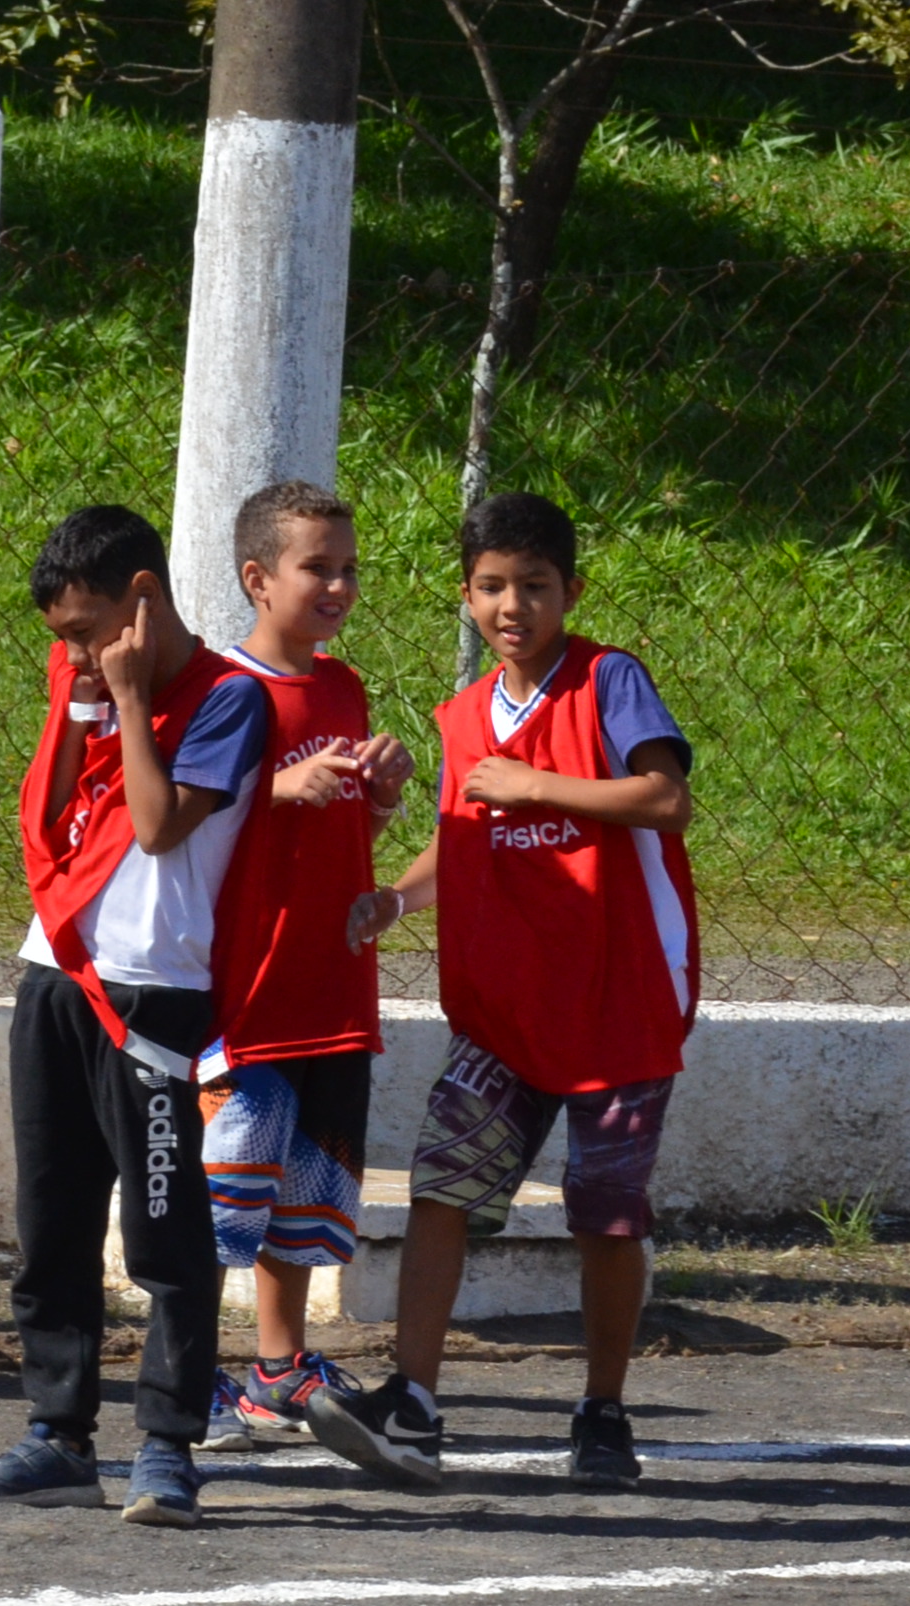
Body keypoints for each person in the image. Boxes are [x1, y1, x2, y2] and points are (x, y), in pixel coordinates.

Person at [306, 492, 695, 1497]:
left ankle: (603, 1409)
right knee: (443, 1189)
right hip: (506, 1010)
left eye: (533, 585)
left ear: (572, 591)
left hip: (619, 1005)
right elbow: (466, 828)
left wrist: (539, 788)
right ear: (467, 594)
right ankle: (417, 1401)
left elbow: (664, 798)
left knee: (605, 1216)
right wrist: (395, 898)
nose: (511, 604)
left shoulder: (610, 683)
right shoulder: (469, 717)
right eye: (490, 585)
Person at [0, 505, 270, 1530]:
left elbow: (159, 825)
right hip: (58, 976)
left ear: (142, 599)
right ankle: (57, 1431)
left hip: (156, 988)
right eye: (62, 638)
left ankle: (169, 1443)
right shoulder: (80, 680)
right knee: (51, 1215)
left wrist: (129, 702)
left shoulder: (229, 699)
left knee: (163, 1227)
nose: (75, 652)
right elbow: (44, 821)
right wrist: (79, 703)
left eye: (86, 630)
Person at [197, 479, 411, 1450]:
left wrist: (380, 800)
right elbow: (188, 821)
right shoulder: (222, 692)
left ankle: (276, 1369)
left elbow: (349, 828)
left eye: (348, 567)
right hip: (250, 994)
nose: (337, 584)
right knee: (221, 1196)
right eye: (316, 566)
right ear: (257, 577)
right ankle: (186, 1366)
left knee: (305, 1197)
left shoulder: (344, 685)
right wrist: (279, 786)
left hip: (332, 988)